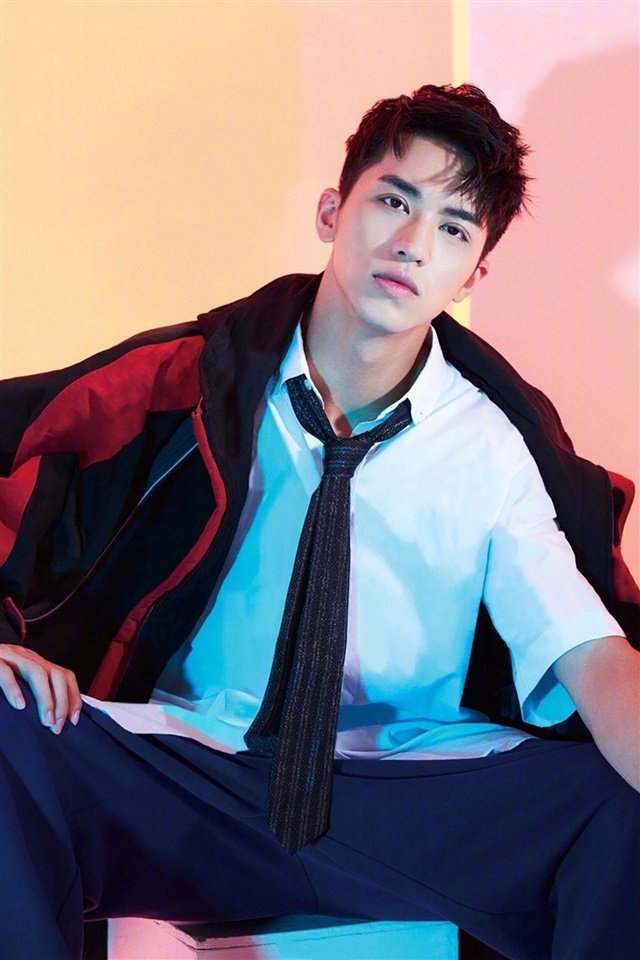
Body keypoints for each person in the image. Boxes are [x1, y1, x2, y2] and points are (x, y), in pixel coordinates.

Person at [0, 84, 638, 960]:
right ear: (333, 210)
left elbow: (589, 651)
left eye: (455, 229)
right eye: (394, 201)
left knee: (614, 804)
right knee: (7, 726)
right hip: (193, 774)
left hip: (400, 799)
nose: (414, 244)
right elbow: (21, 454)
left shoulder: (494, 448)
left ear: (473, 276)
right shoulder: (193, 382)